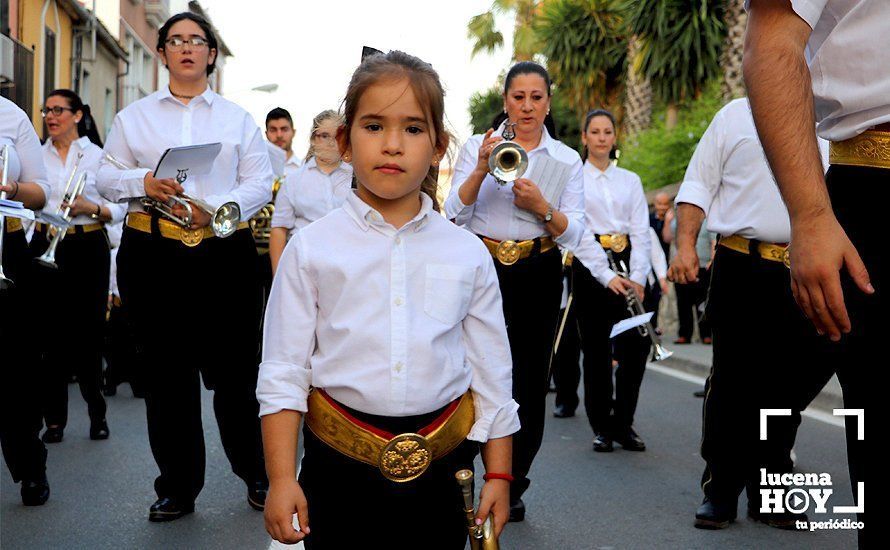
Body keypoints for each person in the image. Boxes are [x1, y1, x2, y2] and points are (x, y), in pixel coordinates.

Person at [259, 50, 519, 548]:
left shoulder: (466, 252)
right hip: (337, 469)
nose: (393, 145)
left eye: (414, 129)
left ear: (439, 147)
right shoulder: (311, 249)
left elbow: (491, 372)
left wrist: (500, 477)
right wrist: (280, 479)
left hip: (445, 472)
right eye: (374, 126)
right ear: (346, 142)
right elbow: (284, 371)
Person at [96, 12, 272, 522]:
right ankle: (177, 486)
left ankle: (257, 474)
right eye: (176, 40)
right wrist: (142, 183)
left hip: (223, 254)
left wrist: (218, 209)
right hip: (153, 254)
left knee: (237, 376)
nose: (187, 48)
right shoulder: (135, 118)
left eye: (197, 40)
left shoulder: (238, 118)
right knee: (167, 378)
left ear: (211, 53)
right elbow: (104, 179)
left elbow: (259, 183)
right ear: (163, 52)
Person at [745, 3, 886, 544]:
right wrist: (811, 214)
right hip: (870, 186)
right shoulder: (727, 123)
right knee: (762, 385)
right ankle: (736, 482)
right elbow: (773, 40)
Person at [668, 97, 834, 531]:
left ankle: (771, 492)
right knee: (732, 382)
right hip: (742, 264)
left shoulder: (833, 119)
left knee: (788, 386)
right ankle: (720, 490)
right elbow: (697, 185)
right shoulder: (734, 115)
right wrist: (686, 246)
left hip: (807, 268)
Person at [444, 61, 584, 522]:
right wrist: (482, 168)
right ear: (505, 101)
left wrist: (543, 208)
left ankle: (512, 484)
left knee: (526, 377)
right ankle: (460, 470)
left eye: (536, 97)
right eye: (518, 97)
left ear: (548, 103)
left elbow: (576, 233)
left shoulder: (566, 160)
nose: (526, 106)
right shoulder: (476, 147)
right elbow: (453, 214)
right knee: (467, 370)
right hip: (481, 264)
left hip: (537, 267)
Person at [551, 109, 652, 453]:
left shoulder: (630, 180)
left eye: (607, 131)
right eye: (594, 131)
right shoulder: (574, 177)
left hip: (628, 264)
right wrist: (605, 275)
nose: (601, 137)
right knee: (594, 351)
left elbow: (642, 229)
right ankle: (602, 427)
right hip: (590, 266)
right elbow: (575, 232)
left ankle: (624, 423)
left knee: (635, 349)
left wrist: (638, 277)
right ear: (584, 137)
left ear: (614, 136)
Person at [32, 89, 126, 444]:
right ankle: (54, 420)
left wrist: (92, 206)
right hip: (47, 241)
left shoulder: (99, 157)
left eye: (58, 110)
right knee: (50, 336)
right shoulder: (36, 156)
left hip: (88, 244)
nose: (51, 117)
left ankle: (96, 414)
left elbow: (119, 208)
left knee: (88, 334)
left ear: (77, 115)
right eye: (47, 110)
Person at [0, 96, 52, 505]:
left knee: (14, 367)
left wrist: (13, 188)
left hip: (7, 247)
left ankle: (30, 468)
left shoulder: (10, 115)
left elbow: (42, 192)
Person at [268, 109, 352, 273]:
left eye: (337, 136)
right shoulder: (294, 180)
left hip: (348, 265)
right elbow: (279, 229)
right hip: (304, 266)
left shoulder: (356, 179)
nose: (331, 142)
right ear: (313, 139)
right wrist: (278, 276)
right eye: (324, 135)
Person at [672, 222, 714, 344]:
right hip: (683, 266)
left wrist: (712, 260)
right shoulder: (678, 220)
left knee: (703, 303)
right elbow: (670, 238)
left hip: (702, 267)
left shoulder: (708, 221)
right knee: (683, 302)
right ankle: (684, 334)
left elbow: (713, 241)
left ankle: (706, 334)